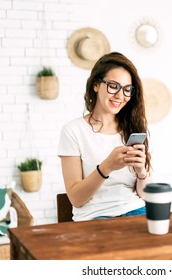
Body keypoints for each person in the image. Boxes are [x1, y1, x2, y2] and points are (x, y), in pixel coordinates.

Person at [57, 52, 152, 221]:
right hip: (94, 217)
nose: (120, 96)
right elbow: (76, 199)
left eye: (127, 89)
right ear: (96, 85)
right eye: (113, 86)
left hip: (135, 211)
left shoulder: (134, 127)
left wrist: (141, 172)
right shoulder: (73, 131)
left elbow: (144, 195)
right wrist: (106, 167)